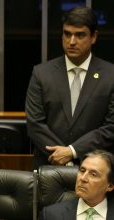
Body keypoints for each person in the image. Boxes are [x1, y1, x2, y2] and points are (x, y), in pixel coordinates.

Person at [25, 6, 114, 169]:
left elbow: (111, 127)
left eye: (80, 35)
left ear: (93, 37)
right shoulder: (41, 74)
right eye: (67, 34)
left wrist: (72, 151)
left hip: (94, 170)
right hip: (48, 168)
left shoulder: (110, 75)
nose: (72, 41)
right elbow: (34, 124)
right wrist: (61, 154)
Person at [40, 149, 114, 219]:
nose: (83, 178)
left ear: (110, 186)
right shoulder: (51, 215)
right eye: (82, 170)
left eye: (93, 174)